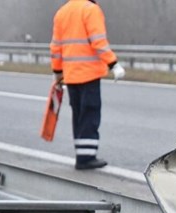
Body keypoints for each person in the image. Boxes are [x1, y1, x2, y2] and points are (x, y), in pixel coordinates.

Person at [49, 0, 125, 170]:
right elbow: (98, 42)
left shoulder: (62, 12)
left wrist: (57, 73)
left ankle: (81, 155)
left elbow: (55, 47)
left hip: (70, 75)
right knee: (90, 114)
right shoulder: (91, 10)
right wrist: (113, 64)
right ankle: (86, 158)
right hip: (89, 74)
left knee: (79, 115)